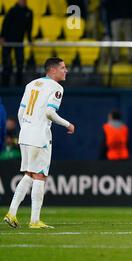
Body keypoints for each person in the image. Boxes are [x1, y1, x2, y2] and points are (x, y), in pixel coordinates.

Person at [3, 57, 75, 229]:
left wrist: (27, 128)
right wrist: (68, 124)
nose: (66, 71)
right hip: (39, 136)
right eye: (63, 68)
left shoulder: (31, 84)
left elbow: (21, 112)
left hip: (25, 134)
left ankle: (11, 213)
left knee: (29, 174)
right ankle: (35, 220)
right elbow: (50, 112)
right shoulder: (57, 88)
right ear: (52, 70)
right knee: (40, 175)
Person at [0, 0, 33, 87]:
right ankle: (5, 85)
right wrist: (2, 37)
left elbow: (29, 28)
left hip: (19, 42)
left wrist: (29, 40)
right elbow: (5, 24)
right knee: (7, 63)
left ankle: (19, 85)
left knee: (20, 63)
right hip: (8, 41)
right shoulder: (12, 10)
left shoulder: (29, 12)